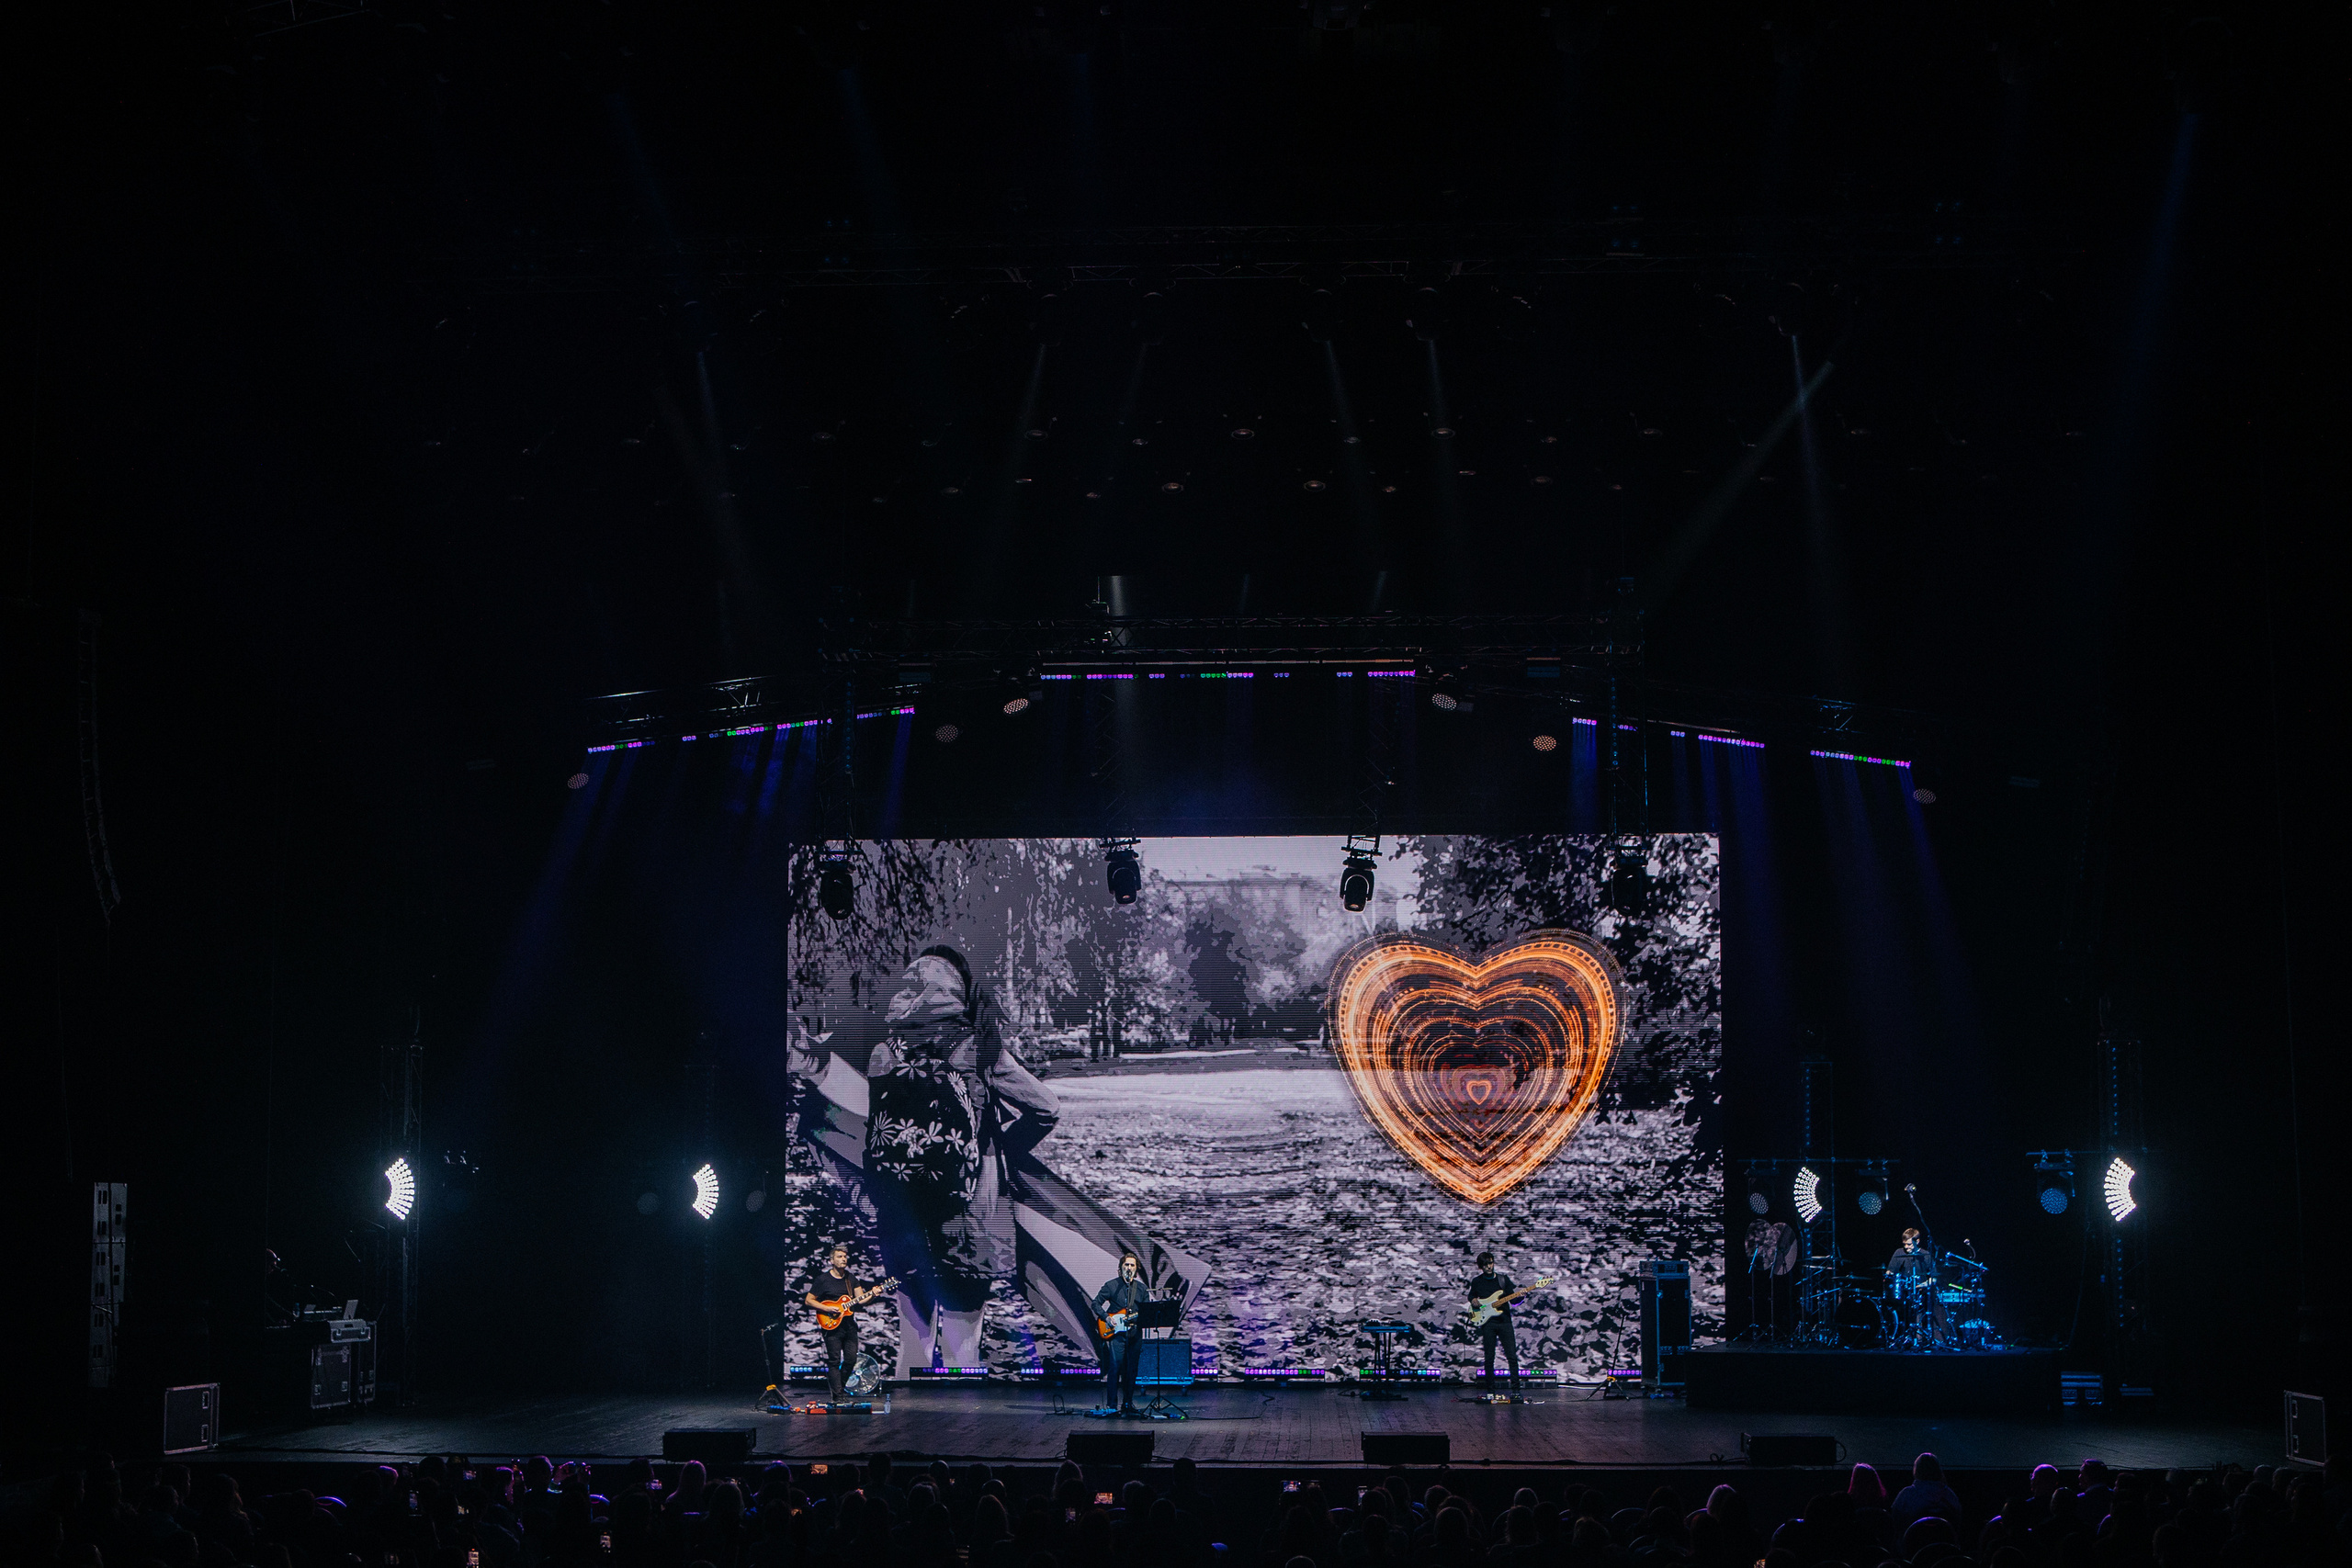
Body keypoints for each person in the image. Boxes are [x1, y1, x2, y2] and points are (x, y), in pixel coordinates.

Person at [803, 1245, 879, 1404]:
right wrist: (827, 1308)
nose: (843, 1259)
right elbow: (809, 1300)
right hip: (831, 1326)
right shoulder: (823, 1280)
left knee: (851, 1359)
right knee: (834, 1360)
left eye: (845, 1256)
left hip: (849, 1325)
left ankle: (841, 1388)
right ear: (831, 1260)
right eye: (839, 1256)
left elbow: (861, 1301)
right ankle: (837, 1396)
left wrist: (873, 1295)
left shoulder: (851, 1279)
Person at [1091, 1251, 1150, 1416]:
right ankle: (1111, 1405)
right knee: (1115, 1368)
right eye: (1126, 1265)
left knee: (1131, 1370)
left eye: (1132, 1265)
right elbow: (1095, 1303)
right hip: (1116, 1334)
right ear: (1121, 1268)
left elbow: (1146, 1313)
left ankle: (1127, 1403)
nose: (1129, 1268)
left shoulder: (1142, 1289)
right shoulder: (1111, 1286)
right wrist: (1106, 1318)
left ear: (1136, 1268)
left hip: (1135, 1334)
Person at [1467, 1251, 1521, 1396]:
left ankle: (1516, 1390)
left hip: (1505, 1322)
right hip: (1488, 1323)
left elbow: (1514, 1301)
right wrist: (1473, 1300)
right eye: (1485, 1264)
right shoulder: (1477, 1281)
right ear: (1481, 1267)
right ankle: (1490, 1391)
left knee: (1512, 1356)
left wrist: (1521, 1297)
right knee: (1489, 1357)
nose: (1489, 1267)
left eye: (1490, 1263)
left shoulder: (1503, 1280)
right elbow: (1471, 1295)